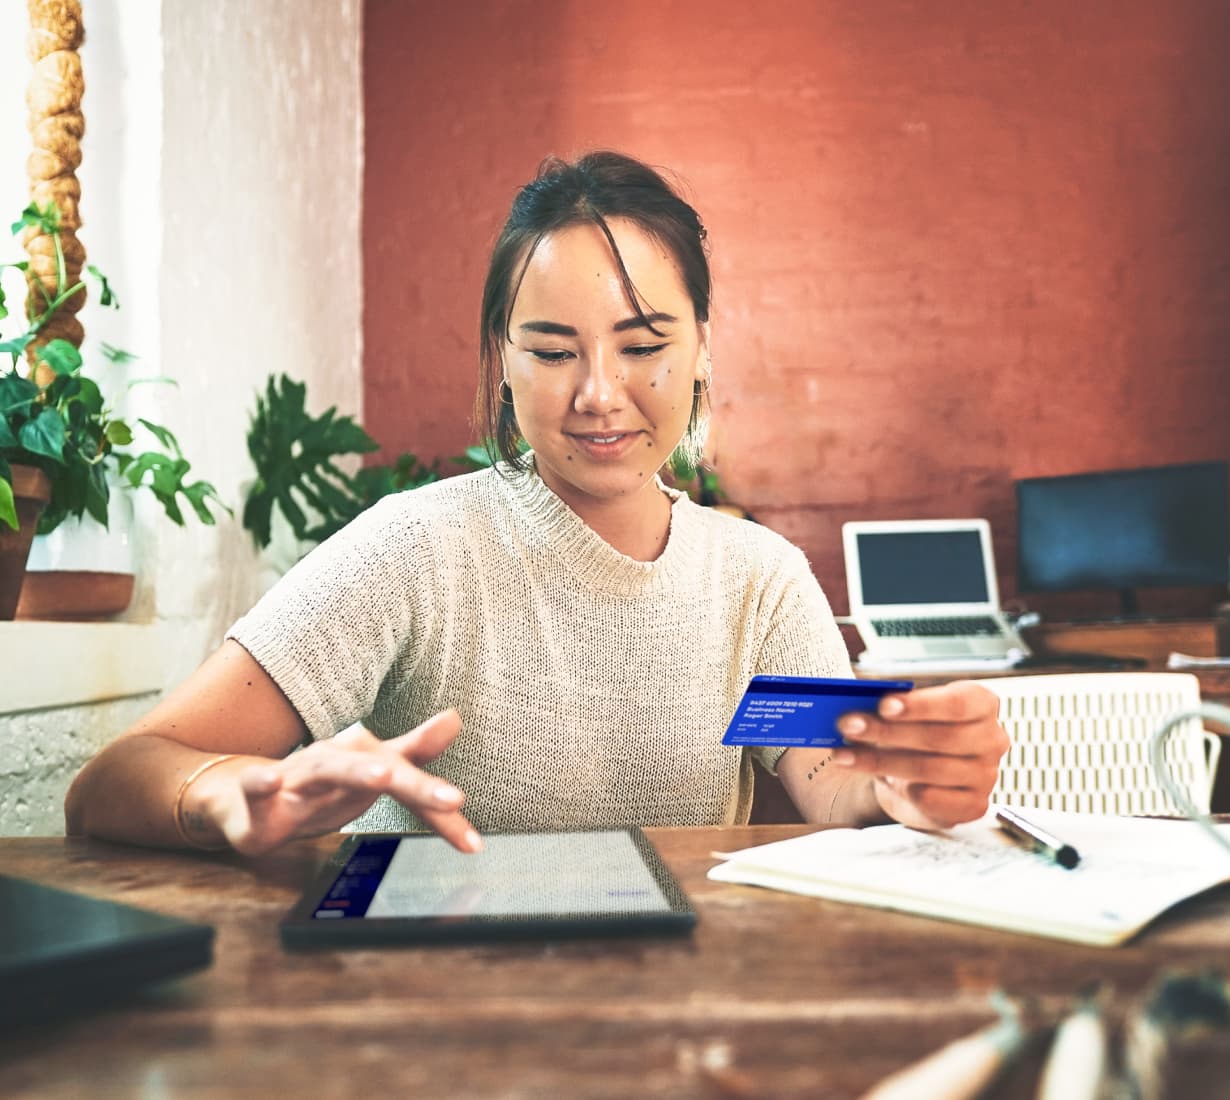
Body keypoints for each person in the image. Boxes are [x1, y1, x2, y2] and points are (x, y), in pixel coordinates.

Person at [65, 151, 1009, 856]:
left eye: (644, 347)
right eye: (554, 352)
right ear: (503, 361)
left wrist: (908, 786)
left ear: (702, 347)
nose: (599, 394)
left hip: (680, 1011)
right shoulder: (417, 549)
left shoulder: (758, 582)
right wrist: (228, 794)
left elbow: (834, 786)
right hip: (430, 1002)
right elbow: (113, 779)